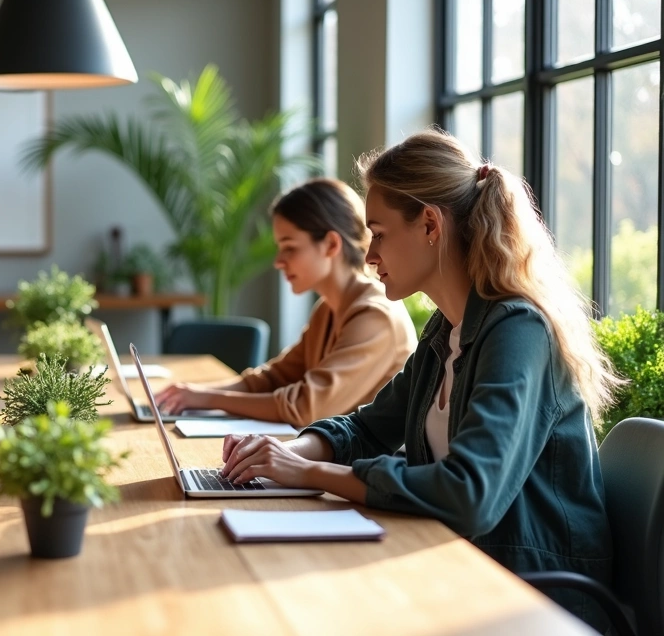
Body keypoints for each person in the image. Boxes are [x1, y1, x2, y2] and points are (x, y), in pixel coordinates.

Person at [219, 129, 618, 628]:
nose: (369, 257)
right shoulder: (445, 330)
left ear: (430, 224)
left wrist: (313, 475)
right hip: (461, 566)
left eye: (379, 234)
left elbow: (470, 494)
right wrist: (287, 455)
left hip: (530, 595)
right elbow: (369, 428)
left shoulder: (518, 331)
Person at [155, 178, 417, 426]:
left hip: (367, 469)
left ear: (330, 244)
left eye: (289, 247)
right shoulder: (328, 309)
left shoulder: (375, 316)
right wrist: (191, 395)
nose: (279, 261)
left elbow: (305, 408)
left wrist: (207, 399)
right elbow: (273, 379)